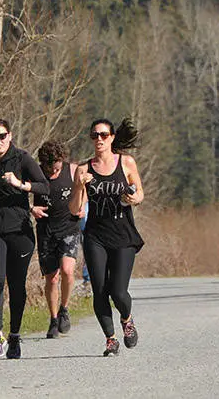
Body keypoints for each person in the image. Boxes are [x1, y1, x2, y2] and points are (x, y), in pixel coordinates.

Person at [0, 118, 50, 360]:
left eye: (2, 136)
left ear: (10, 135)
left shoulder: (22, 159)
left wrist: (20, 184)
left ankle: (15, 335)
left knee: (17, 285)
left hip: (19, 231)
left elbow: (45, 187)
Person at [71, 118, 145, 357]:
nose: (99, 139)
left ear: (112, 137)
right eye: (94, 135)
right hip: (96, 235)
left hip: (123, 233)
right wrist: (79, 187)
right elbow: (74, 209)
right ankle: (110, 340)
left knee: (119, 292)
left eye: (103, 135)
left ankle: (127, 318)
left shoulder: (126, 162)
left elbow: (140, 192)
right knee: (100, 290)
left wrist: (134, 198)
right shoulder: (83, 170)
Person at [31, 140, 83, 339]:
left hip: (69, 227)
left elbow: (82, 187)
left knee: (68, 271)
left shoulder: (73, 170)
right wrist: (32, 208)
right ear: (43, 164)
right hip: (46, 230)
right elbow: (19, 193)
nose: (55, 170)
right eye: (51, 167)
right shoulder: (35, 173)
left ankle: (65, 309)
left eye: (58, 166)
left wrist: (82, 206)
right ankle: (53, 319)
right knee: (51, 278)